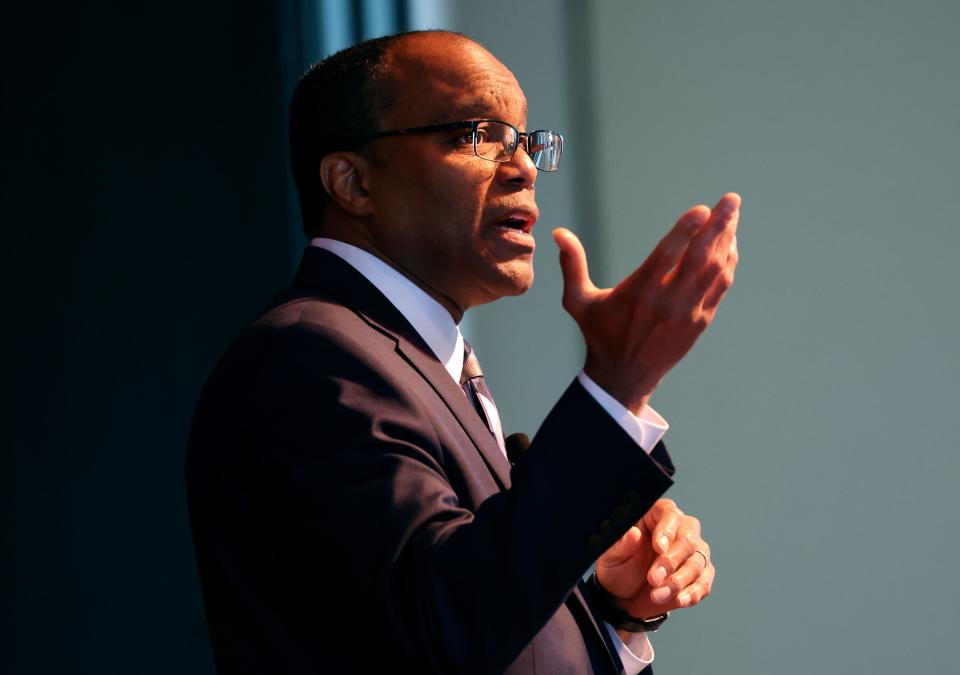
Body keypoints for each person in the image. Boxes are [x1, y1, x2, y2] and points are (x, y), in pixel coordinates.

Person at [186, 29, 739, 675]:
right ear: (353, 181)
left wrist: (616, 612)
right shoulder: (309, 355)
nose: (525, 167)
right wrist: (614, 386)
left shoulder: (422, 363)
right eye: (478, 134)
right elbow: (447, 621)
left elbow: (471, 623)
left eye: (526, 140)